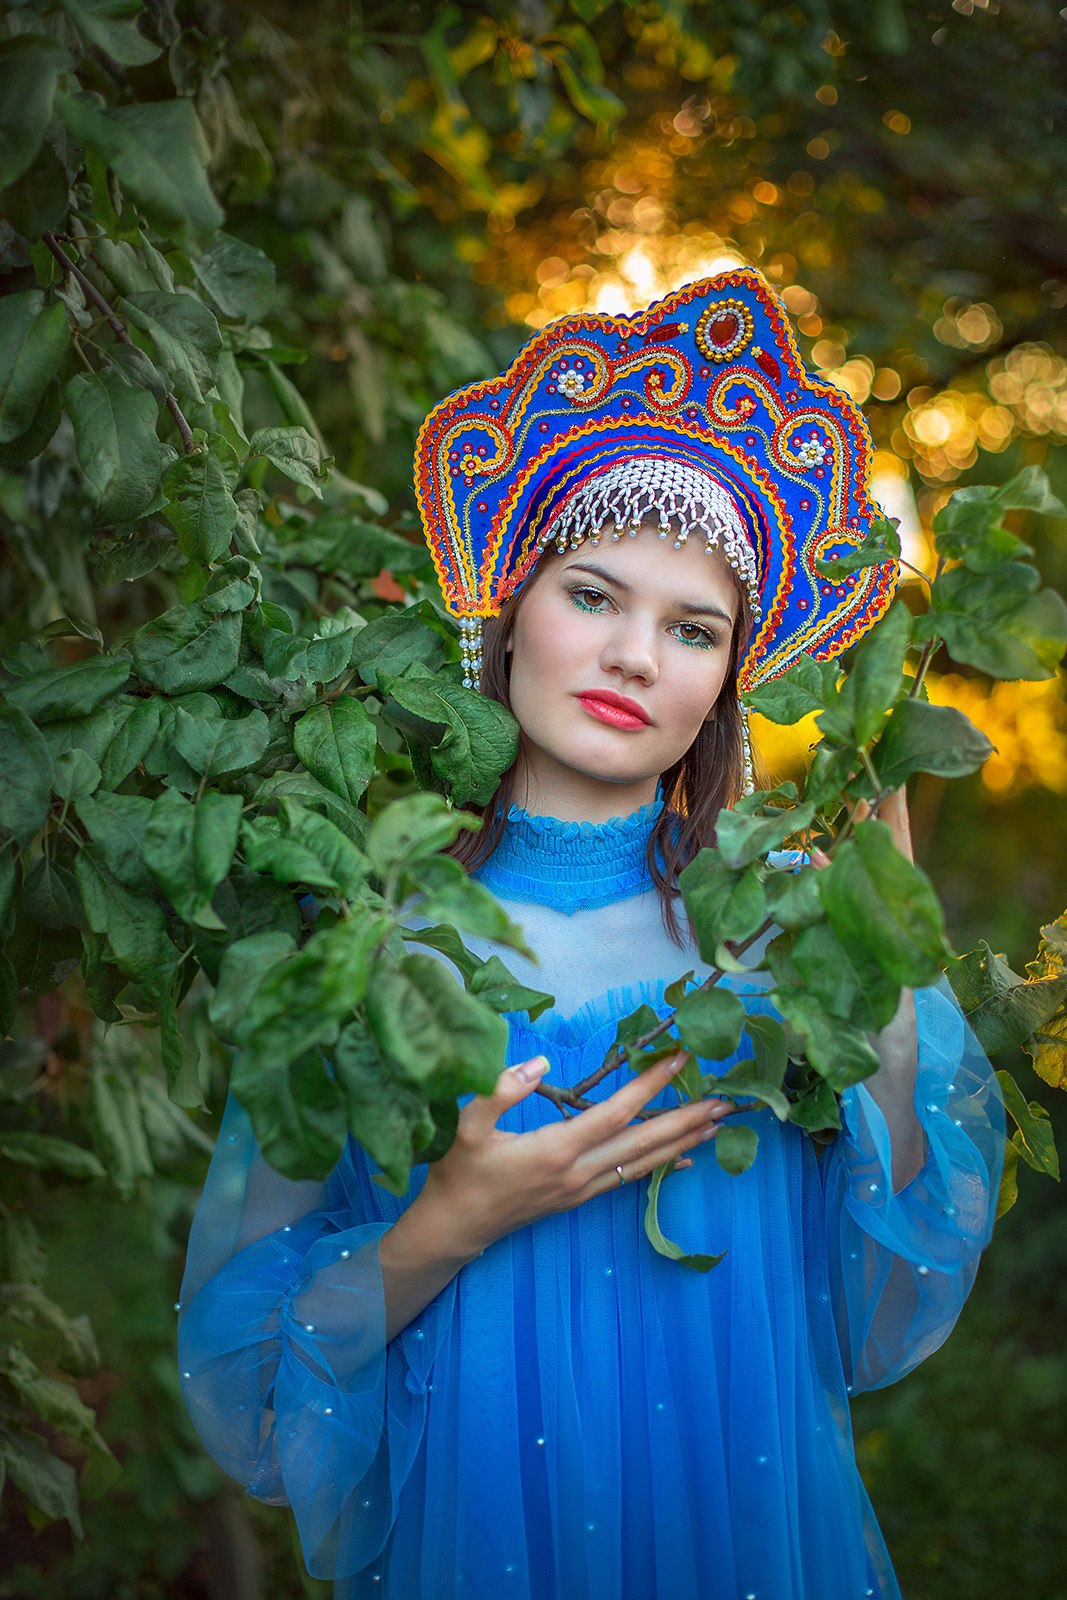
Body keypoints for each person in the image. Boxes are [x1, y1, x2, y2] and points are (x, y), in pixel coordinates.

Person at [178, 268, 1003, 1599]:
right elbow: (256, 1386)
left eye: (692, 630)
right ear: (506, 618)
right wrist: (449, 1220)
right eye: (593, 597)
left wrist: (885, 972)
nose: (634, 656)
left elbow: (882, 1305)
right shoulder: (370, 938)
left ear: (729, 680)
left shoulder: (771, 937)